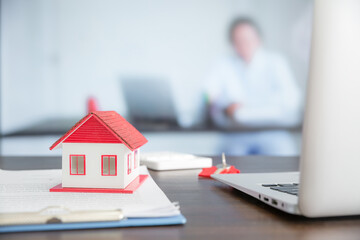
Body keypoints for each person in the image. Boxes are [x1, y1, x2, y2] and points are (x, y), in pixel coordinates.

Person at [206, 17, 302, 155]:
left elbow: (291, 101)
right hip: (236, 135)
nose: (244, 44)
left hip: (273, 133)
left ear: (259, 39)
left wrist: (246, 110)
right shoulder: (223, 64)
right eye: (238, 41)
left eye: (248, 39)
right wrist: (225, 106)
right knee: (226, 166)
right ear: (232, 43)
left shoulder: (276, 62)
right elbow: (209, 95)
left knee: (284, 163)